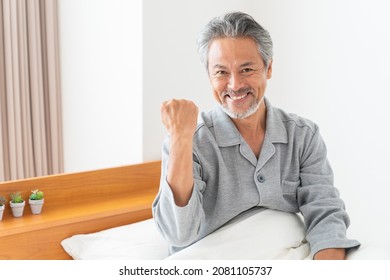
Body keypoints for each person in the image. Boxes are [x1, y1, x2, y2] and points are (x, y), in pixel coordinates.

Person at [152, 11, 360, 260]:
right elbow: (178, 234)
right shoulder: (189, 139)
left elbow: (325, 215)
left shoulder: (303, 135)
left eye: (247, 69)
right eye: (221, 72)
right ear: (209, 76)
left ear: (268, 67)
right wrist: (181, 138)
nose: (235, 85)